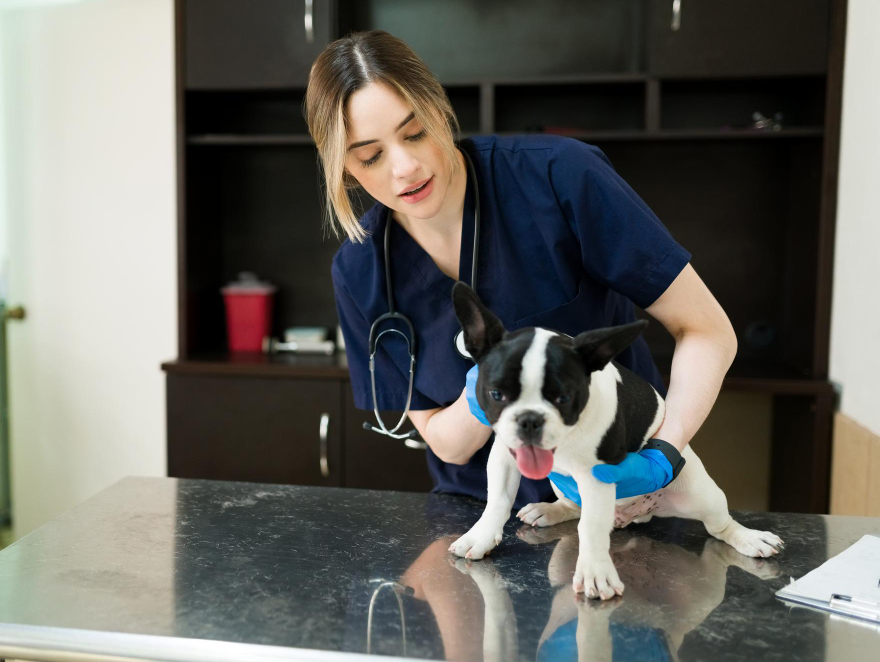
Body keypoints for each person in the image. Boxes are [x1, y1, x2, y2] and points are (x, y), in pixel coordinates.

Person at [303, 30, 737, 510]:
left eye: (416, 132)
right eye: (371, 155)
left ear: (440, 110)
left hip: (619, 489)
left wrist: (664, 453)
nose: (405, 167)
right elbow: (445, 442)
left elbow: (707, 330)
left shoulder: (559, 176)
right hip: (481, 511)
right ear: (344, 168)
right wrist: (488, 385)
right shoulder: (360, 270)